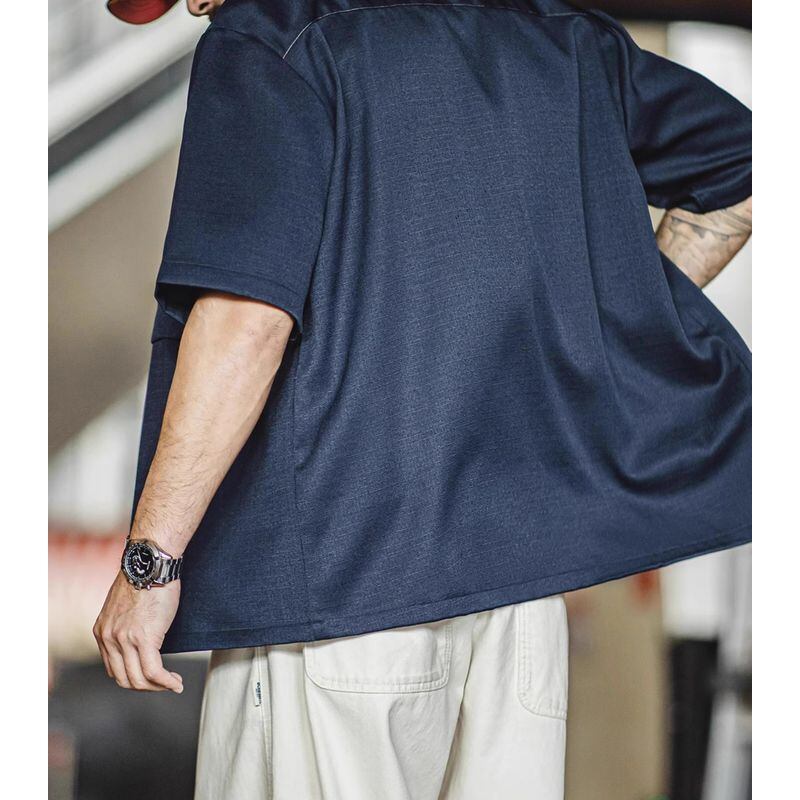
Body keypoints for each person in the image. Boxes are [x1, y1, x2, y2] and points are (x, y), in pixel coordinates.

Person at [95, 1, 752, 797]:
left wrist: (150, 563)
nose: (196, 6)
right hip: (520, 598)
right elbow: (747, 163)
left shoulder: (273, 35)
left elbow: (246, 319)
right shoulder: (551, 31)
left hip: (336, 588)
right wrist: (607, 327)